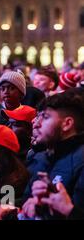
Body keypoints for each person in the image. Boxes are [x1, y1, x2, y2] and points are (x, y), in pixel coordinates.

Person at [22, 91, 84, 219]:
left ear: (67, 124)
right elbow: (20, 198)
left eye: (45, 117)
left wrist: (69, 211)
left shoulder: (81, 161)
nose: (36, 123)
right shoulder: (40, 157)